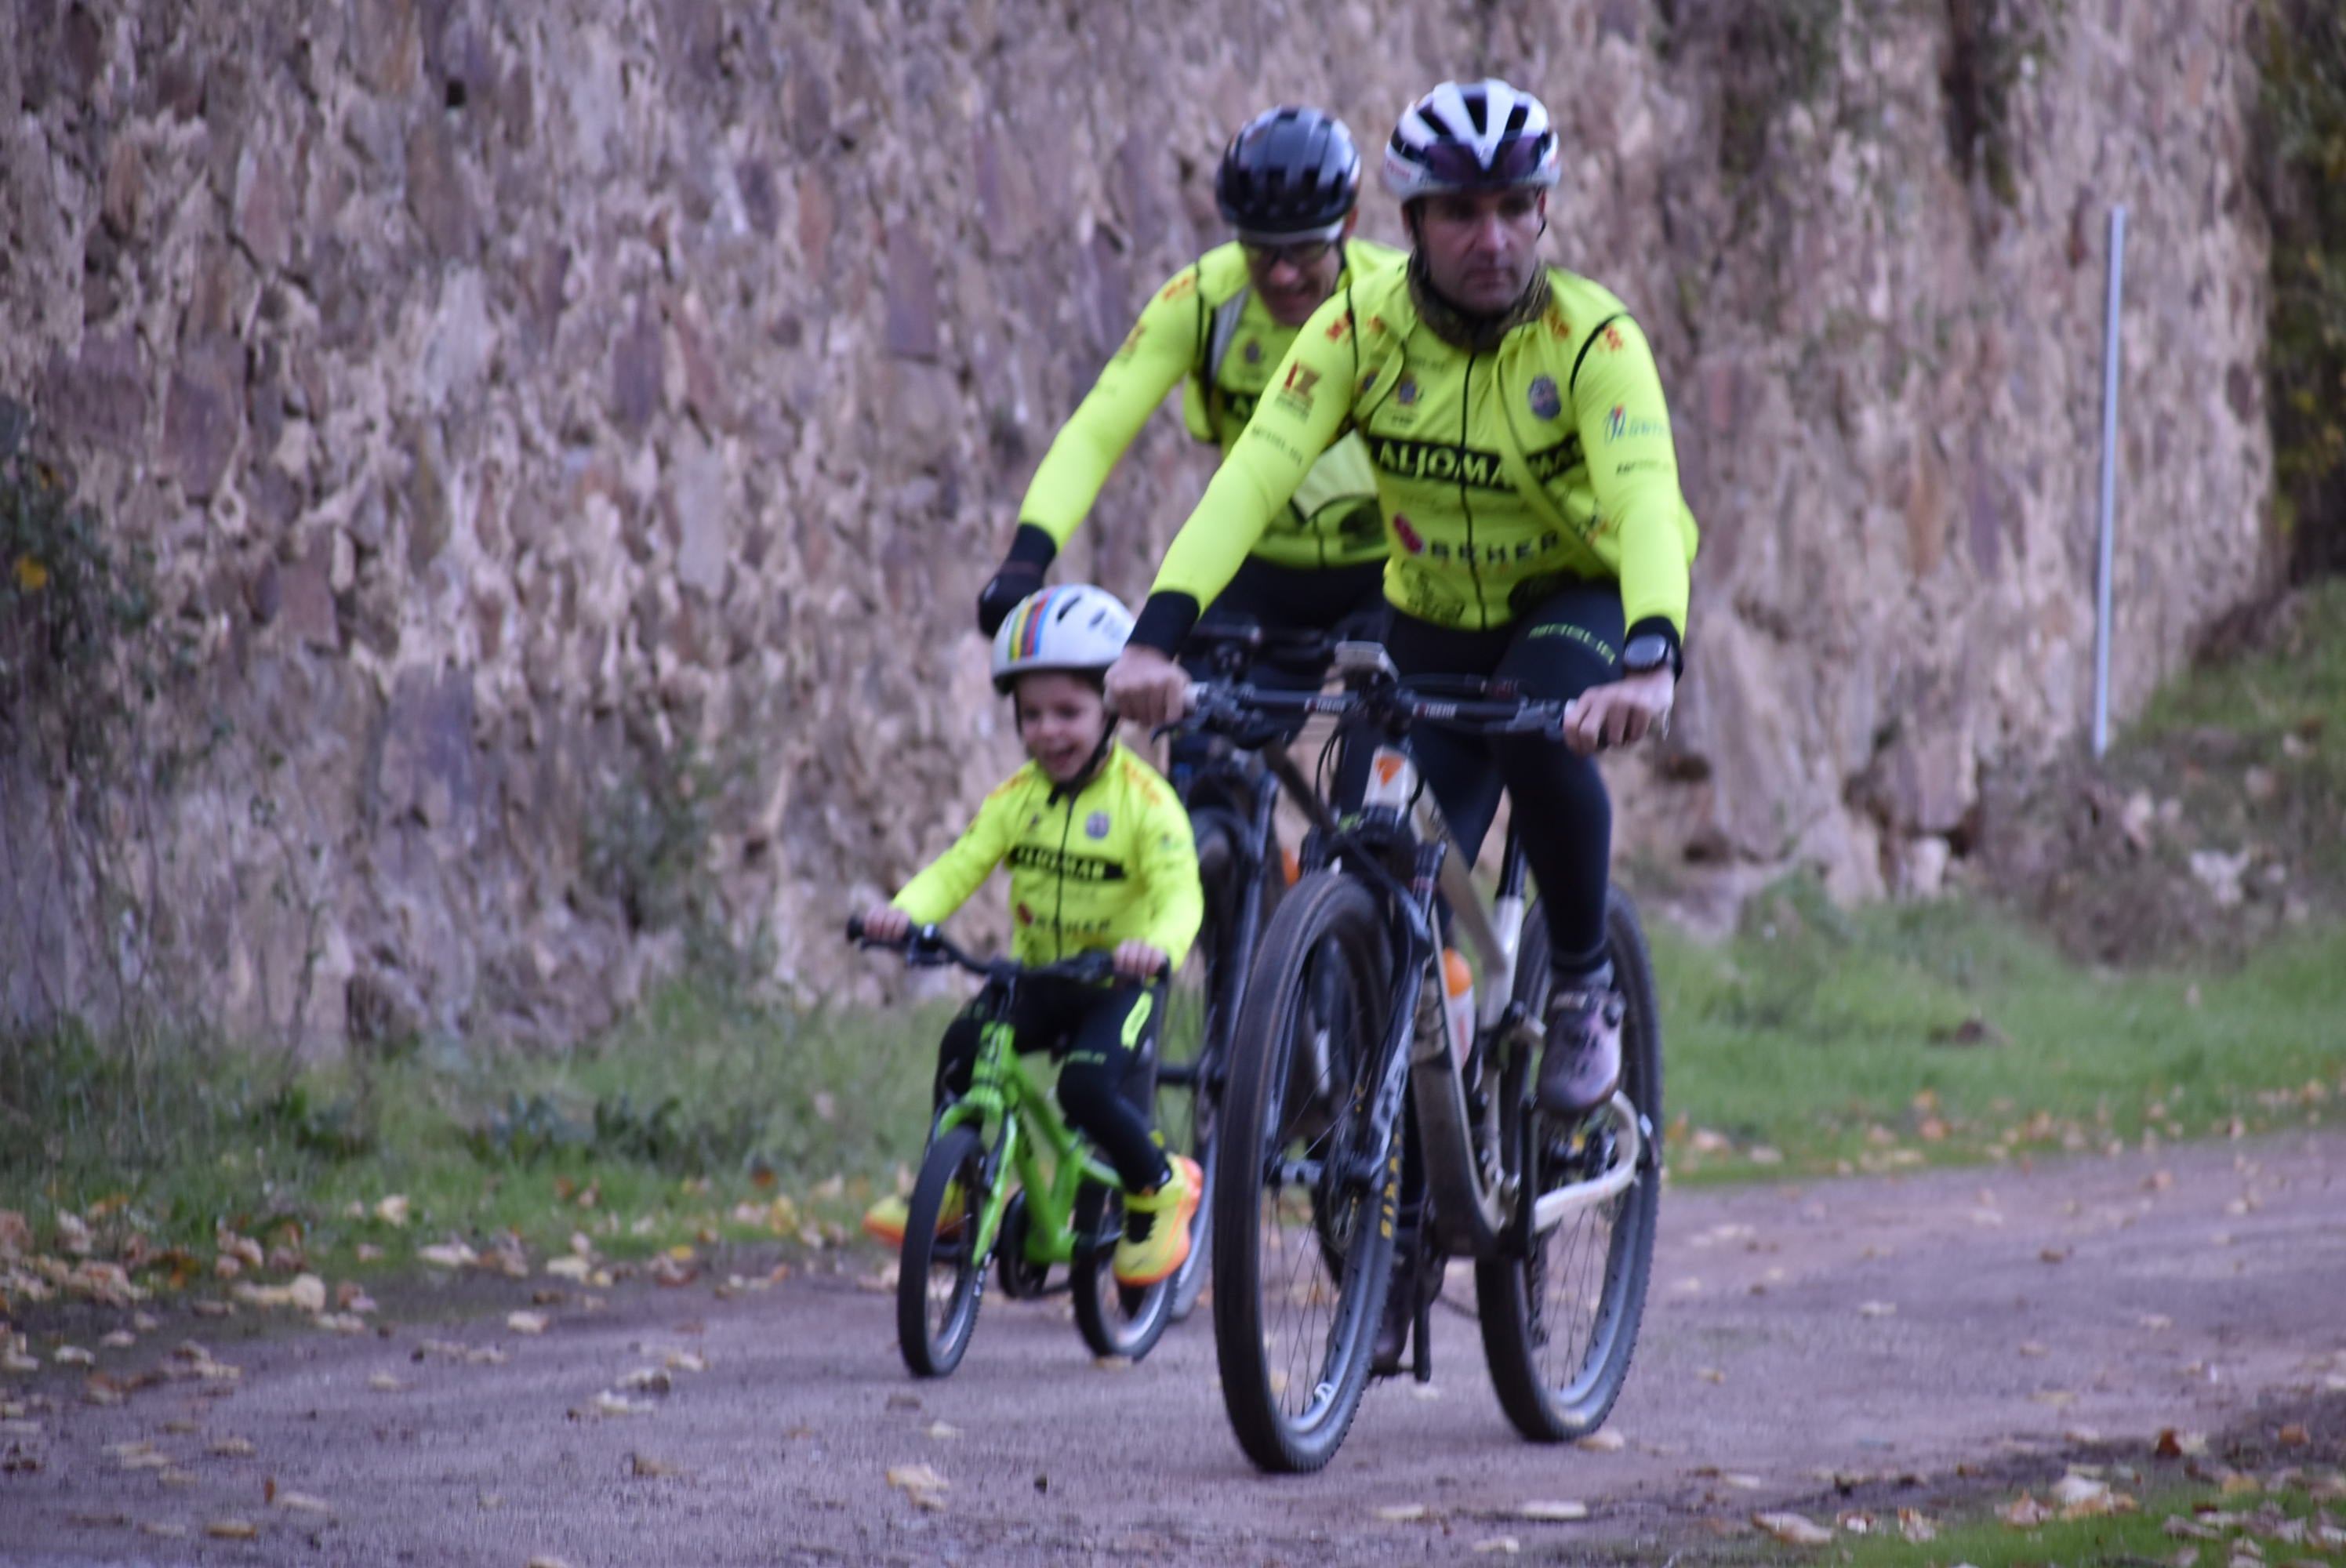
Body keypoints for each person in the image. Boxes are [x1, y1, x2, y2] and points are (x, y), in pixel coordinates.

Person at [1106, 76, 1698, 1156]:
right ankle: (1404, 1185)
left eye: (1514, 207)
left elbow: (1645, 498)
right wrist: (1156, 636)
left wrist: (1652, 652)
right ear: (1412, 222)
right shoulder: (1356, 330)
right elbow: (1253, 476)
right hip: (1429, 612)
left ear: (1544, 211)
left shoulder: (1591, 340)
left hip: (1578, 598)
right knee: (1377, 869)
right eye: (1460, 212)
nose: (1492, 238)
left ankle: (1580, 984)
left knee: (1539, 723)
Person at [975, 106, 1403, 691]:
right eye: (1259, 249)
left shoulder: (1395, 301)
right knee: (1196, 740)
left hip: (1386, 571)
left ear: (1348, 224)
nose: (1281, 275)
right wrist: (1027, 558)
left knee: (1382, 744)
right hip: (1255, 568)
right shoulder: (1205, 298)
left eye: (1304, 249)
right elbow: (1098, 430)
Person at [859, 586, 1205, 1288]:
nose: (1049, 731)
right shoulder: (1016, 799)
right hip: (1041, 977)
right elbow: (959, 866)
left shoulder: (1147, 804)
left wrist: (1158, 949)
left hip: (1117, 985)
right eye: (1032, 715)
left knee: (1084, 1089)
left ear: (1111, 711)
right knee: (963, 1044)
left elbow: (1180, 894)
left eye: (1069, 713)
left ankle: (1161, 1184)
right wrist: (904, 913)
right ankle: (953, 1191)